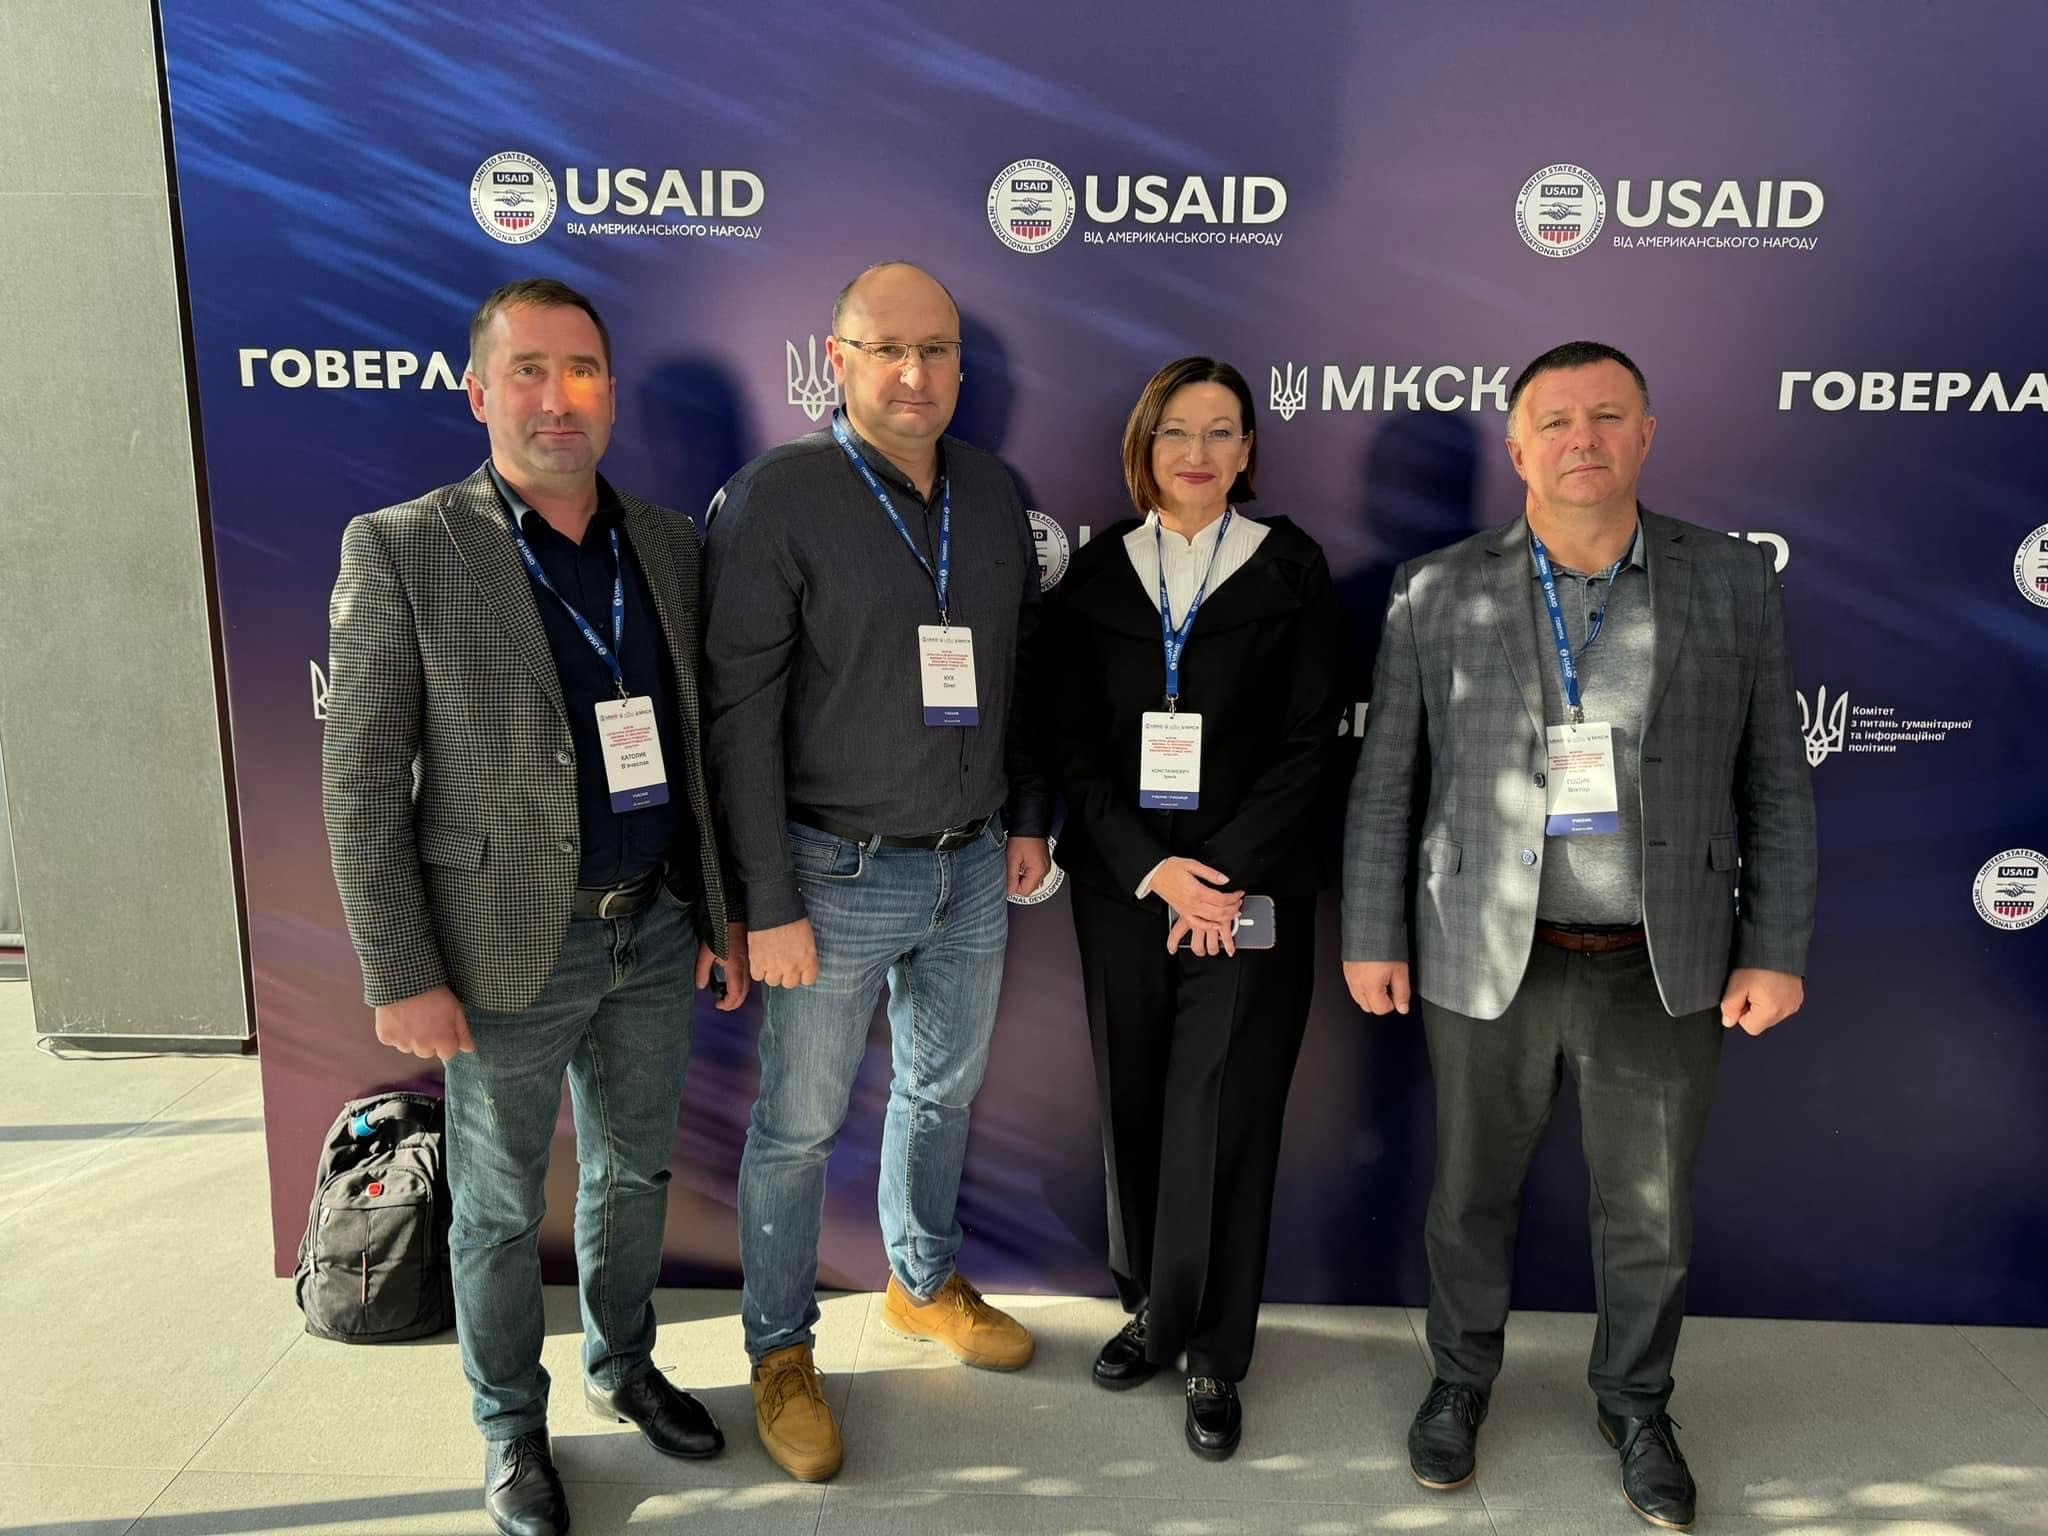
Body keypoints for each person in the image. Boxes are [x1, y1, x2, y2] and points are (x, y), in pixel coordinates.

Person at [1342, 340, 1817, 1531]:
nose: (1581, 440)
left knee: (1647, 1213)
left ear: (1645, 435)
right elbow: (1387, 779)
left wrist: (1774, 946)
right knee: (1467, 1196)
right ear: (1516, 448)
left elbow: (1775, 779)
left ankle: (1637, 1404)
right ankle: (1457, 1381)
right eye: (1553, 421)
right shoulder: (1433, 589)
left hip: (1659, 964)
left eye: (1606, 416)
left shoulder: (1731, 580)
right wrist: (1370, 932)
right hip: (1480, 955)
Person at [322, 278, 747, 1536]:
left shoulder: (667, 545)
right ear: (478, 393)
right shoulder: (403, 546)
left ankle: (624, 1365)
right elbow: (359, 780)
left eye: (581, 370)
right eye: (528, 371)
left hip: (652, 923)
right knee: (502, 1206)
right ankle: (510, 1425)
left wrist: (716, 912)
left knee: (633, 1173)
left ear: (610, 392)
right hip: (504, 944)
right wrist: (401, 970)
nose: (557, 397)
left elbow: (701, 750)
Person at [702, 261, 1053, 1483]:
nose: (914, 374)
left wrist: (1026, 819)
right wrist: (765, 901)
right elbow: (736, 719)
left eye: (936, 350)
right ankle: (779, 1352)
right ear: (836, 359)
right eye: (886, 349)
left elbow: (1021, 677)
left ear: (961, 364)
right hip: (828, 873)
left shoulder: (993, 494)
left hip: (971, 867)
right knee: (797, 1129)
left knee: (940, 1094)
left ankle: (920, 1282)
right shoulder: (776, 497)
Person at [1044, 357, 1344, 1461]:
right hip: (1128, 890)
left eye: (1223, 432)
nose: (1199, 453)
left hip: (1249, 892)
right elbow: (1070, 750)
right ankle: (1150, 1310)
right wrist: (1153, 871)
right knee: (1130, 1095)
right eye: (1177, 431)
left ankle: (1213, 1348)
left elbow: (1311, 744)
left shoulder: (1290, 568)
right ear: (1144, 444)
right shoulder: (1096, 575)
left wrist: (1215, 875)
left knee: (1225, 1113)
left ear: (1249, 450)